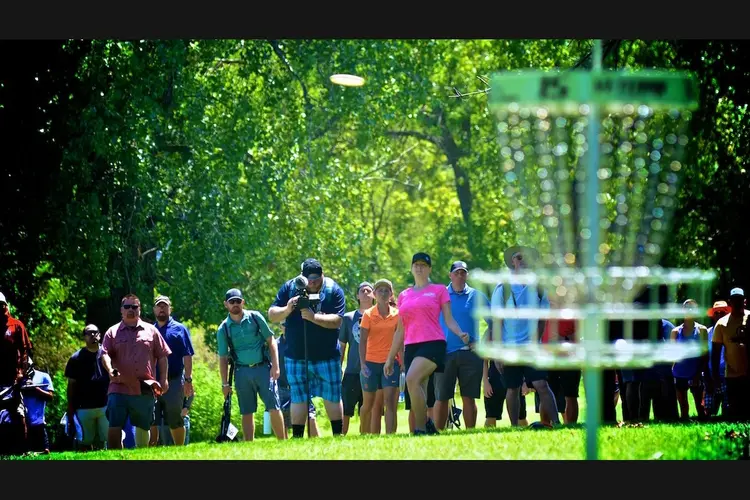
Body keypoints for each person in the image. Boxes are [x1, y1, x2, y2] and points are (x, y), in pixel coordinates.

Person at [384, 252, 469, 436]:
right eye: (416, 264)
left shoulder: (439, 290)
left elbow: (449, 319)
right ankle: (428, 425)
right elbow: (400, 330)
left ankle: (421, 428)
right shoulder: (404, 295)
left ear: (429, 268)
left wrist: (460, 332)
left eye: (423, 264)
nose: (419, 268)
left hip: (433, 343)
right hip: (411, 346)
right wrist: (390, 358)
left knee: (411, 379)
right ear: (412, 268)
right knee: (419, 387)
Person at [268, 258, 347, 438]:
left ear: (323, 275)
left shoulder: (333, 290)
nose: (313, 284)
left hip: (327, 355)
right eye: (309, 280)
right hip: (296, 355)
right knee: (299, 396)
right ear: (302, 277)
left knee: (332, 395)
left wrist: (313, 317)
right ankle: (297, 438)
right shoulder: (290, 288)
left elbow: (337, 321)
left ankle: (337, 435)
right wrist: (288, 309)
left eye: (316, 280)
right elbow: (272, 315)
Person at [490, 245, 560, 427]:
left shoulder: (538, 287)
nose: (523, 261)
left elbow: (542, 319)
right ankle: (514, 427)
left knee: (541, 385)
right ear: (513, 262)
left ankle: (557, 423)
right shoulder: (502, 288)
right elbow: (497, 322)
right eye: (519, 257)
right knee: (512, 389)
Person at [100, 294, 171, 449]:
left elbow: (163, 356)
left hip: (144, 386)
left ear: (140, 309)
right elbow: (104, 354)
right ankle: (115, 458)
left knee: (144, 425)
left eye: (134, 307)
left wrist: (164, 379)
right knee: (114, 424)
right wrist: (110, 370)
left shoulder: (151, 330)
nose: (130, 310)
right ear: (121, 310)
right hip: (118, 386)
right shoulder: (112, 332)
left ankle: (141, 455)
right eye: (127, 307)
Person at [218, 288, 285, 441]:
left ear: (243, 302)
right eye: (231, 302)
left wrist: (276, 366)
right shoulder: (223, 328)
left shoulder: (255, 317)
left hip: (263, 369)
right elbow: (222, 358)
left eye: (238, 301)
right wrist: (224, 384)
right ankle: (249, 444)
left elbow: (271, 340)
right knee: (246, 411)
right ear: (226, 305)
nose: (235, 304)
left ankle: (282, 442)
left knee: (273, 406)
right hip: (241, 372)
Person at [434, 261, 492, 430]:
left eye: (463, 273)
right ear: (450, 275)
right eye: (456, 273)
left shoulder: (477, 296)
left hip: (469, 353)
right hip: (445, 353)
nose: (460, 276)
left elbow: (494, 322)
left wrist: (481, 342)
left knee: (469, 397)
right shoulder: (440, 295)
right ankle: (438, 432)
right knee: (442, 397)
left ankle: (470, 432)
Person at [150, 295, 195, 446]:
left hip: (175, 380)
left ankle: (179, 449)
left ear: (170, 309)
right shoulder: (149, 330)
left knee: (175, 418)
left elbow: (187, 355)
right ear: (154, 309)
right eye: (159, 306)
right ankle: (151, 450)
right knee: (152, 418)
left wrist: (188, 380)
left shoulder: (180, 329)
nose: (161, 308)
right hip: (153, 382)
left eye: (165, 306)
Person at [359, 279, 401, 434]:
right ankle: (364, 434)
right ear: (374, 294)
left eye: (386, 290)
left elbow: (400, 340)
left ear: (391, 295)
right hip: (370, 363)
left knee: (390, 401)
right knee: (368, 403)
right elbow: (362, 341)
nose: (383, 293)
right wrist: (363, 364)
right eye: (380, 290)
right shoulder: (368, 315)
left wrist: (402, 363)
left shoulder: (397, 314)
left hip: (390, 363)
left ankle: (390, 436)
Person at [64, 324, 110, 450]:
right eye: (89, 333)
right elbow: (71, 385)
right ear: (84, 337)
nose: (93, 335)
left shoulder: (107, 355)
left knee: (107, 440)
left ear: (100, 335)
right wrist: (70, 407)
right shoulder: (76, 358)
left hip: (105, 405)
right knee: (84, 441)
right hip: (84, 407)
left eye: (95, 332)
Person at [0, 291, 33, 455]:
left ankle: (22, 450)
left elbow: (25, 351)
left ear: (5, 305)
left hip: (13, 378)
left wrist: (22, 373)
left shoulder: (16, 325)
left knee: (17, 413)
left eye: (1, 305)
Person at [709, 287, 749, 421]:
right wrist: (715, 377)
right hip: (732, 375)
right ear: (730, 302)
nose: (737, 303)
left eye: (740, 300)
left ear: (745, 301)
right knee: (735, 413)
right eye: (734, 300)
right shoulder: (721, 324)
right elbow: (715, 353)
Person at [339, 282, 374, 435]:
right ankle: (340, 435)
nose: (365, 293)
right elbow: (342, 345)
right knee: (346, 408)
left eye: (369, 290)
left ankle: (365, 436)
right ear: (357, 295)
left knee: (368, 408)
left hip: (373, 369)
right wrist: (338, 367)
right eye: (362, 290)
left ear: (373, 295)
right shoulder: (348, 318)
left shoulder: (379, 316)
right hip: (352, 370)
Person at [277, 323, 320, 437]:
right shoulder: (276, 345)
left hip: (301, 386)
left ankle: (318, 442)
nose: (287, 327)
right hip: (282, 387)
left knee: (310, 416)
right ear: (280, 327)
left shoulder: (302, 342)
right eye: (284, 325)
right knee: (283, 418)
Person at [670, 299, 708, 419]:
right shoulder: (675, 331)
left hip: (695, 373)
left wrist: (698, 373)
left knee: (700, 407)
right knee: (683, 408)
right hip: (679, 373)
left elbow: (705, 354)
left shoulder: (702, 330)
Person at [705, 300, 731, 417]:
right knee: (710, 409)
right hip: (711, 373)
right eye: (717, 312)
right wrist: (707, 376)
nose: (719, 314)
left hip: (728, 373)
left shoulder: (732, 331)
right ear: (713, 315)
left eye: (722, 312)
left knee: (728, 406)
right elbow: (704, 356)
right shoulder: (707, 333)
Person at [21, 363, 54, 453]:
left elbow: (50, 396)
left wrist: (36, 389)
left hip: (39, 422)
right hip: (23, 422)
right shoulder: (19, 379)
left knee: (44, 450)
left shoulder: (43, 376)